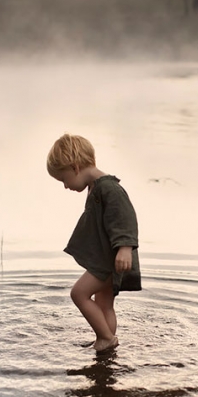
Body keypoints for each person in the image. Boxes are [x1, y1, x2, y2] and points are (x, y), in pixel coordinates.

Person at [47, 134, 141, 353]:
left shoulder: (109, 189)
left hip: (110, 260)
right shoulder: (97, 187)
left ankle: (105, 338)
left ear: (76, 167)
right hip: (108, 258)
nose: (65, 186)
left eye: (64, 179)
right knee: (104, 304)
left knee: (78, 293)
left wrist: (125, 248)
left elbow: (126, 217)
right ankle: (108, 343)